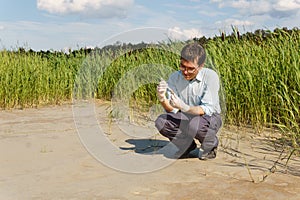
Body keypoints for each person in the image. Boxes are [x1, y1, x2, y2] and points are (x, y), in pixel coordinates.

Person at [155, 42, 222, 160]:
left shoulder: (210, 76)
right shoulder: (174, 77)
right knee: (162, 122)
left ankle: (210, 145)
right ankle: (186, 147)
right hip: (185, 115)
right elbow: (172, 110)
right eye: (182, 66)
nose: (185, 72)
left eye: (191, 69)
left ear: (201, 66)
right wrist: (162, 98)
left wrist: (184, 107)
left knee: (195, 125)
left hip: (209, 117)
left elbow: (207, 109)